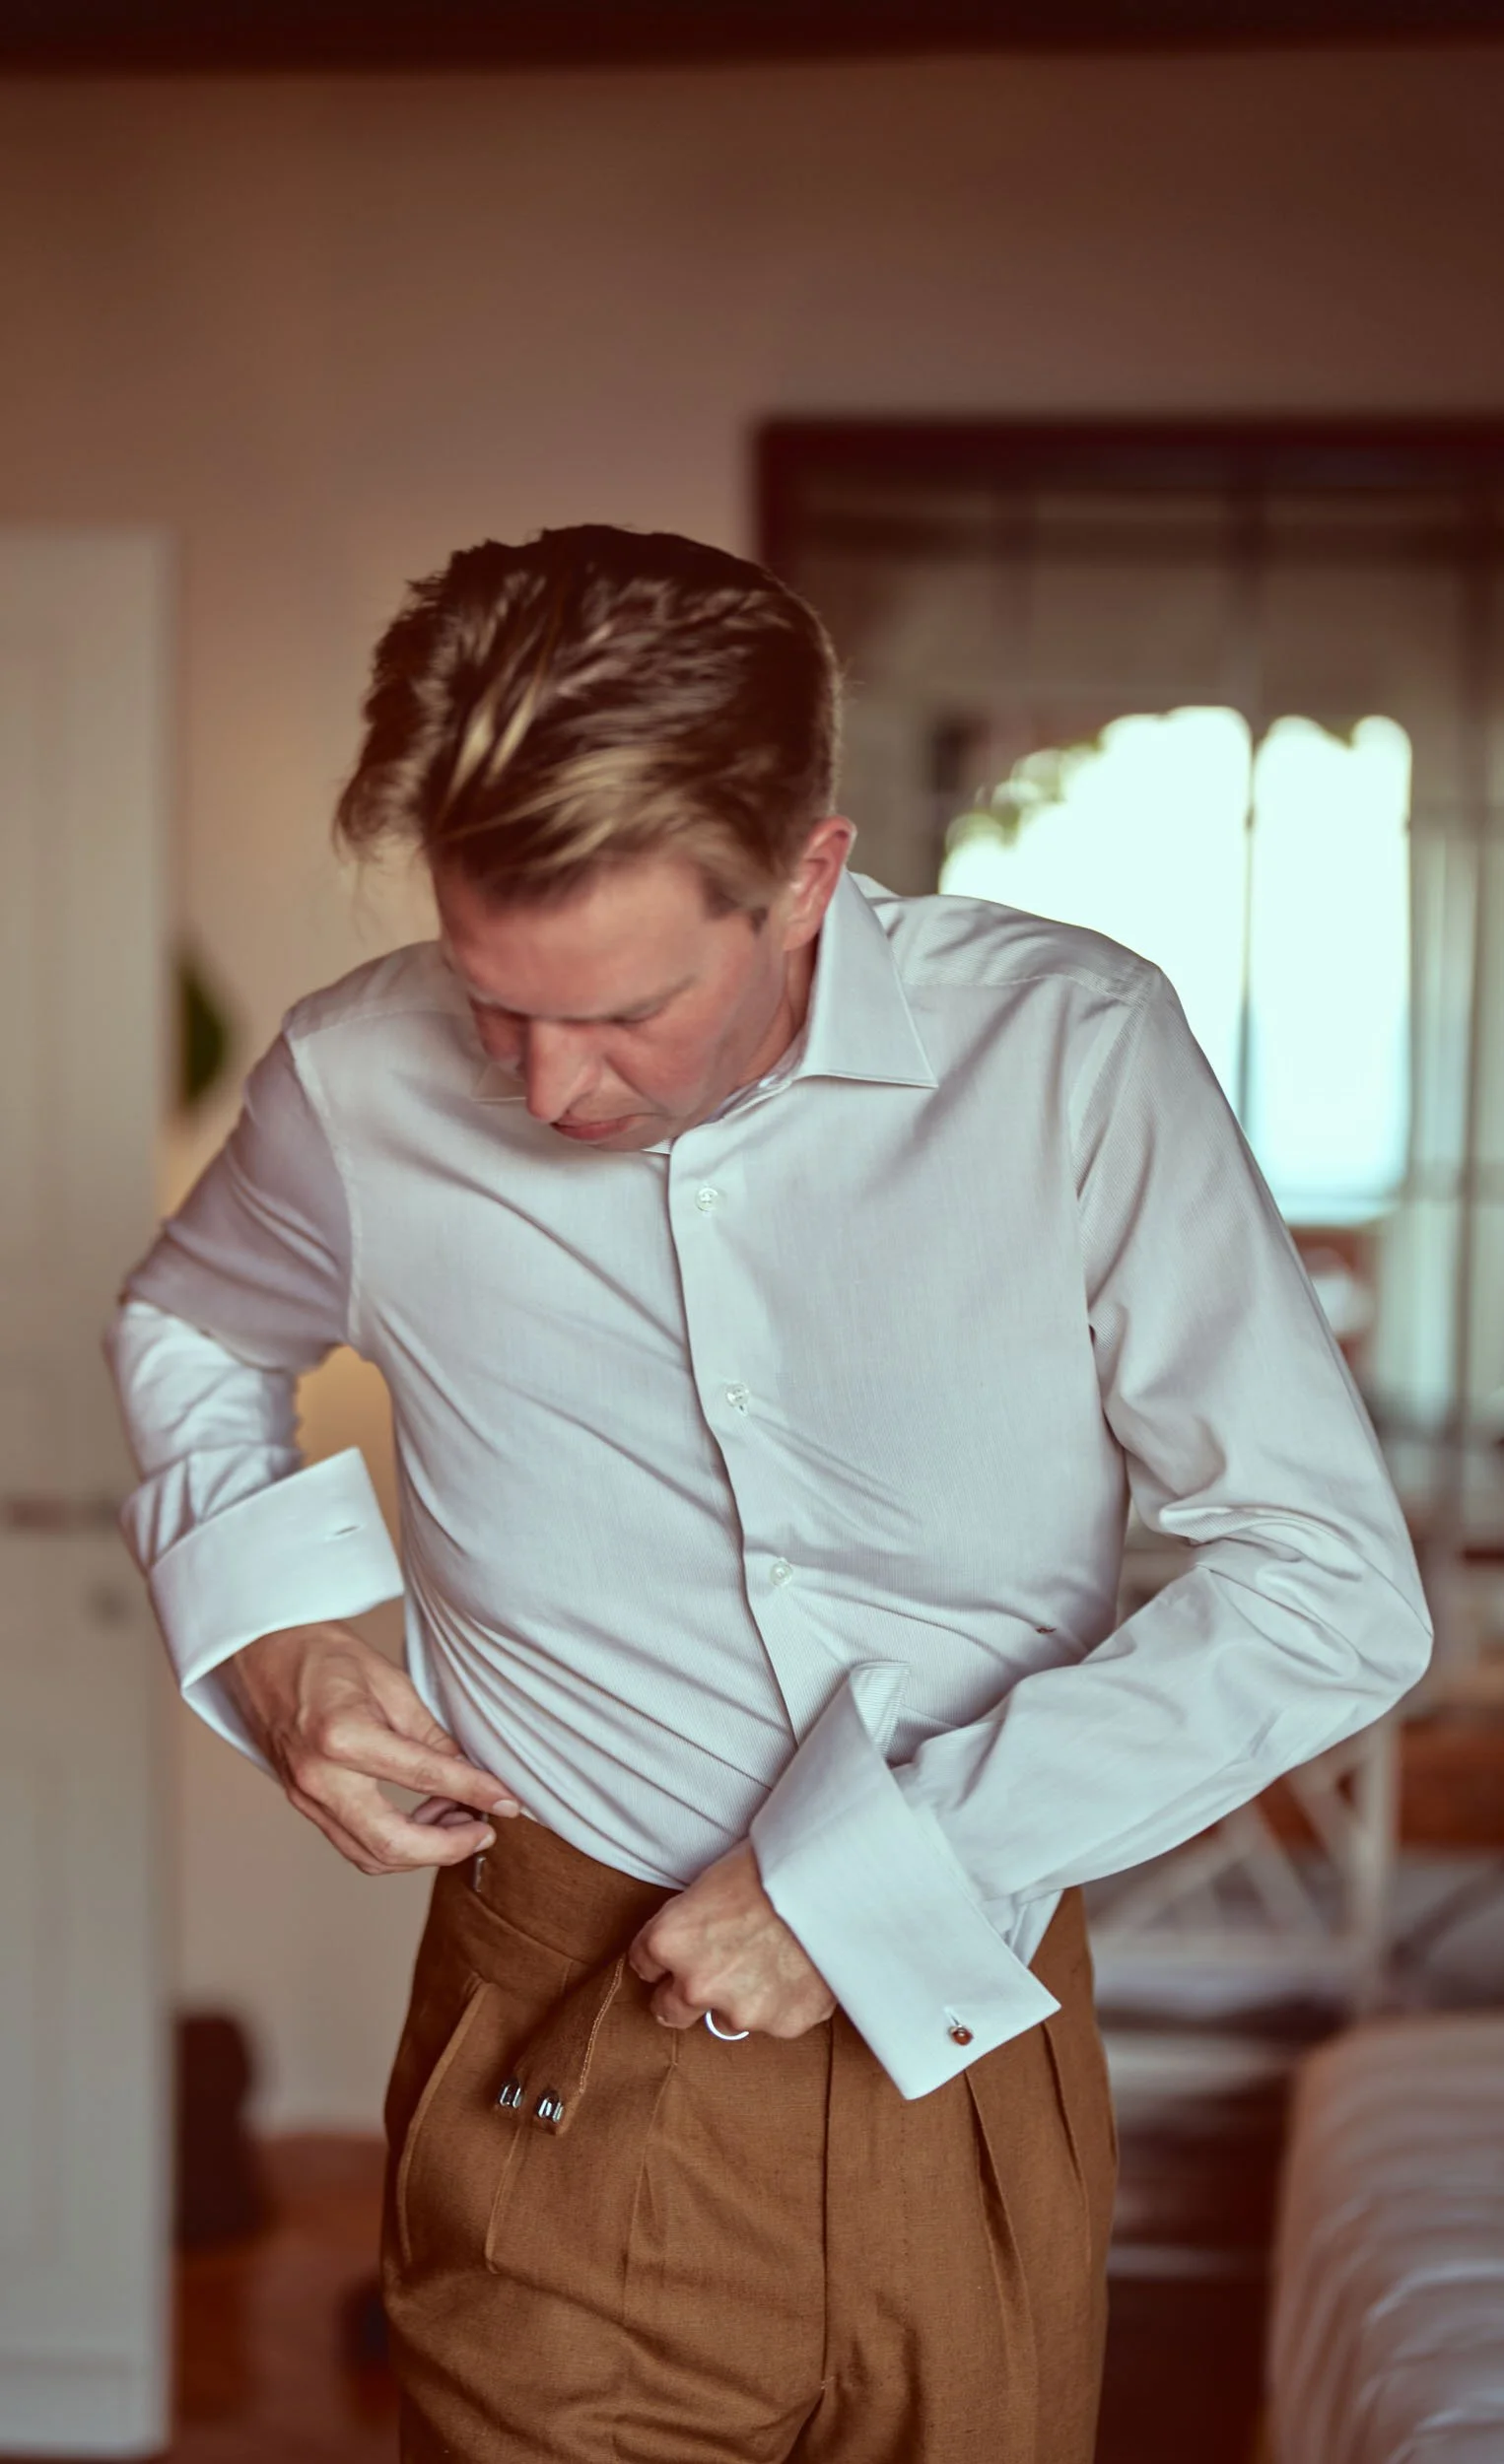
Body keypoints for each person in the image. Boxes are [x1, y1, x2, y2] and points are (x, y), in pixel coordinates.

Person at [107, 524, 1431, 2464]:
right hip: (545, 2041)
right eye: (496, 1001)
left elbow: (1328, 1586)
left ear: (806, 873)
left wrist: (869, 1884)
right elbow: (193, 1316)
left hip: (961, 2045)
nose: (549, 1089)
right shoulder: (355, 1079)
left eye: (624, 1008)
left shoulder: (1069, 1055)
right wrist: (280, 1632)